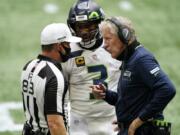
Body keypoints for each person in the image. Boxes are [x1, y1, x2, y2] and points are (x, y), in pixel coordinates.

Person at [91, 16, 176, 135]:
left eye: (108, 39)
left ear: (124, 36)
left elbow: (167, 89)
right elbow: (131, 99)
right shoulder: (129, 59)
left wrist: (138, 121)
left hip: (145, 130)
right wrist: (105, 94)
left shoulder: (141, 59)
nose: (104, 45)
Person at [62, 0, 122, 135]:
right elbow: (61, 91)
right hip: (80, 120)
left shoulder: (115, 46)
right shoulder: (67, 52)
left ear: (100, 24)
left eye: (89, 27)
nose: (84, 32)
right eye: (79, 27)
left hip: (112, 118)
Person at [21, 23, 81, 135]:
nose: (70, 47)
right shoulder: (55, 76)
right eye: (67, 44)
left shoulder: (28, 66)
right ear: (59, 46)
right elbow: (54, 124)